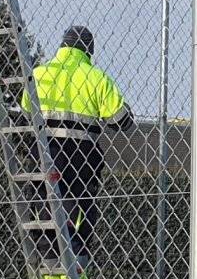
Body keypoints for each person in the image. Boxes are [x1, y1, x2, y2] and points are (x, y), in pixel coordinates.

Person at [28, 25, 132, 258]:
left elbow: (27, 109)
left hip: (44, 151)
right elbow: (120, 120)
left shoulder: (38, 74)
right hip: (81, 157)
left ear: (63, 46)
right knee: (77, 219)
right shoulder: (96, 77)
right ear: (88, 51)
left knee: (45, 215)